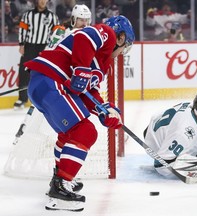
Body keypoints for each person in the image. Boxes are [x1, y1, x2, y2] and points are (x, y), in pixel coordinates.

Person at [24, 15, 135, 211]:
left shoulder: (103, 65)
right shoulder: (107, 34)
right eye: (125, 46)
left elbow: (87, 92)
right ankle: (61, 185)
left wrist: (104, 110)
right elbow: (84, 38)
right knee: (85, 131)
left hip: (43, 85)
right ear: (120, 37)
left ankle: (59, 180)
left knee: (69, 134)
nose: (122, 52)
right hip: (50, 80)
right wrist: (82, 70)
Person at [143, 91, 197, 178]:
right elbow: (161, 165)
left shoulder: (194, 111)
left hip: (161, 126)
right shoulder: (183, 132)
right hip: (154, 140)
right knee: (188, 144)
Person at [14, 0, 60, 109]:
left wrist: (52, 46)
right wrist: (21, 44)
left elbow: (58, 33)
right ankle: (22, 99)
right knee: (24, 73)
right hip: (30, 46)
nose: (43, 1)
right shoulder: (27, 15)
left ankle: (42, 99)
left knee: (43, 74)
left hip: (44, 47)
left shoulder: (53, 17)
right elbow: (22, 30)